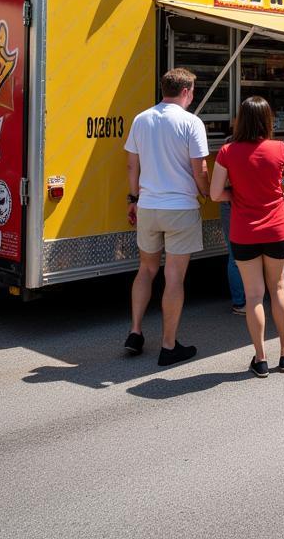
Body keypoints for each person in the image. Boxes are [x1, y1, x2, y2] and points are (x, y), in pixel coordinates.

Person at [212, 96, 284, 377]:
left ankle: (261, 359)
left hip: (244, 231)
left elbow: (216, 193)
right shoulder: (280, 149)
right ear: (268, 120)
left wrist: (237, 195)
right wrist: (277, 192)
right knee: (278, 288)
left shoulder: (227, 151)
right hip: (277, 228)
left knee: (253, 296)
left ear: (240, 120)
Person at [123, 68, 209, 366]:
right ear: (186, 92)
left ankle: (135, 332)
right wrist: (207, 192)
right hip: (180, 208)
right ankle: (168, 346)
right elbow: (200, 169)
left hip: (148, 206)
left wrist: (133, 199)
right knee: (173, 276)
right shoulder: (192, 123)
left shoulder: (141, 119)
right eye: (193, 92)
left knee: (146, 270)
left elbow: (132, 167)